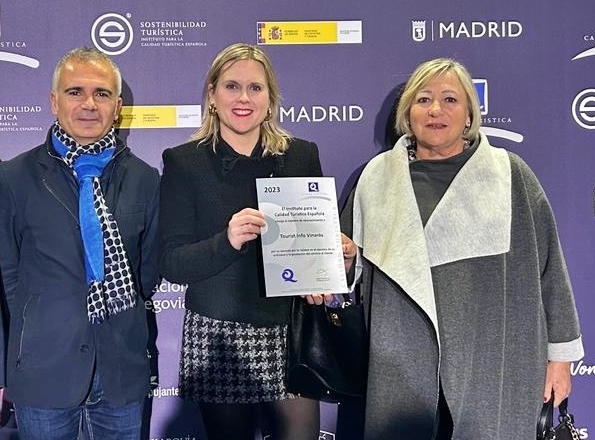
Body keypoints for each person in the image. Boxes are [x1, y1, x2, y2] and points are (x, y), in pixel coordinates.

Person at [340, 58, 584, 439]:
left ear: (469, 114)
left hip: (493, 365)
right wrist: (347, 260)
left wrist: (561, 359)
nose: (435, 110)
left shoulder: (509, 174)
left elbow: (551, 271)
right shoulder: (376, 179)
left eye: (450, 99)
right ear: (408, 114)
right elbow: (352, 270)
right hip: (401, 367)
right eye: (423, 99)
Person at [159, 43, 326, 440]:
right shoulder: (184, 162)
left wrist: (330, 263)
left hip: (289, 328)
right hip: (218, 333)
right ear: (212, 95)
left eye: (255, 88)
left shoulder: (301, 156)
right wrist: (227, 240)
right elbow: (172, 263)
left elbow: (314, 248)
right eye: (232, 86)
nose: (243, 98)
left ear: (270, 99)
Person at [0, 47, 160, 440]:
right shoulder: (13, 178)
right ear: (54, 102)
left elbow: (147, 273)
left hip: (121, 371)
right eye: (75, 92)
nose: (89, 103)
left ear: (117, 107)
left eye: (101, 94)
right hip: (42, 371)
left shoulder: (144, 178)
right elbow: (5, 277)